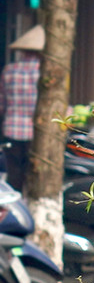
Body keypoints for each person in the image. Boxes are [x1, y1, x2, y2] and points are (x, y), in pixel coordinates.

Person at [0, 25, 43, 187]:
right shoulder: (45, 72)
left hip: (12, 130)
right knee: (33, 173)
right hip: (37, 133)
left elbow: (2, 103)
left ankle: (16, 205)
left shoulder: (9, 70)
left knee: (14, 174)